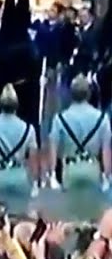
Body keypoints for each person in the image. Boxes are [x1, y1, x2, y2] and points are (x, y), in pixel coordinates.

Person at [49, 75, 111, 220]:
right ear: (89, 94)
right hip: (92, 170)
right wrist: (107, 176)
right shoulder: (102, 118)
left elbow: (53, 149)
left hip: (70, 170)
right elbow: (106, 151)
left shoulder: (60, 119)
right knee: (93, 215)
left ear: (71, 94)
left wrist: (52, 175)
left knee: (71, 215)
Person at [0, 84, 37, 213]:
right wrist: (34, 183)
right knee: (19, 218)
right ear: (17, 106)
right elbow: (33, 163)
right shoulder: (29, 129)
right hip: (20, 178)